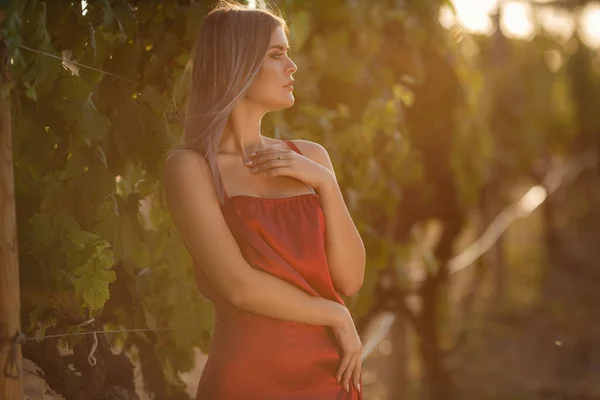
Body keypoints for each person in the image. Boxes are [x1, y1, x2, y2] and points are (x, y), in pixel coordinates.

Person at [163, 1, 366, 398]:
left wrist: (326, 184)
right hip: (248, 377)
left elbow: (350, 278)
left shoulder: (311, 158)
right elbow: (237, 285)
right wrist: (335, 315)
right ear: (237, 64)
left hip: (332, 376)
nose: (292, 67)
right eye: (277, 55)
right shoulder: (190, 167)